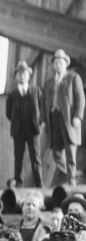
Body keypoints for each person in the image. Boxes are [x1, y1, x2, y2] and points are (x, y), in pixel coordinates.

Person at [44, 48, 84, 185]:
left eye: (60, 62)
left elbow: (80, 99)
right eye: (56, 62)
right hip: (54, 119)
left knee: (70, 150)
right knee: (56, 152)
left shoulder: (73, 78)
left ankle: (71, 180)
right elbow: (45, 103)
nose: (58, 65)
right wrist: (43, 120)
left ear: (66, 63)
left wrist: (78, 116)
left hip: (68, 119)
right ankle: (70, 173)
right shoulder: (50, 82)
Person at [6, 60, 44, 187]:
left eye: (24, 73)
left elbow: (42, 108)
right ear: (16, 76)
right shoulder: (12, 95)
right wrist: (17, 122)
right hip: (18, 130)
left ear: (28, 75)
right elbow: (8, 113)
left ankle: (39, 184)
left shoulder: (36, 91)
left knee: (35, 158)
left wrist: (41, 123)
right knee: (18, 158)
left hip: (33, 129)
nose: (22, 76)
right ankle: (18, 183)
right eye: (19, 74)